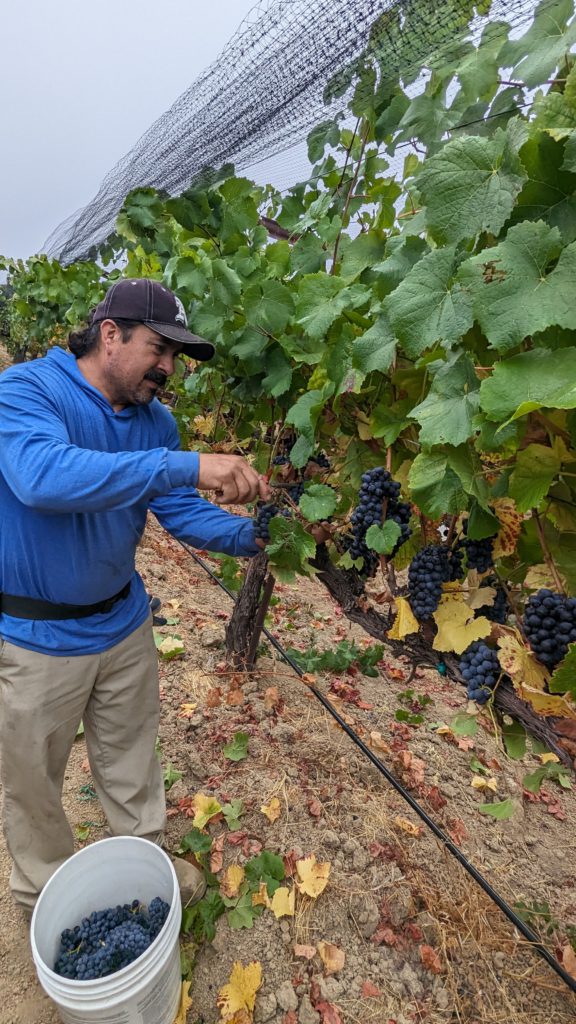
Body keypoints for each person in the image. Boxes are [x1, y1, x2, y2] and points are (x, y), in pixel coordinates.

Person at [0, 277, 272, 918]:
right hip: (38, 640)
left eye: (177, 356)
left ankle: (143, 863)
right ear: (110, 334)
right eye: (160, 348)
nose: (169, 368)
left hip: (123, 626)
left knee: (131, 763)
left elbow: (182, 513)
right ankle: (47, 895)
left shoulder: (156, 423)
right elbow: (44, 477)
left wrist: (262, 535)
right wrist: (186, 463)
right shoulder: (26, 391)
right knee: (34, 785)